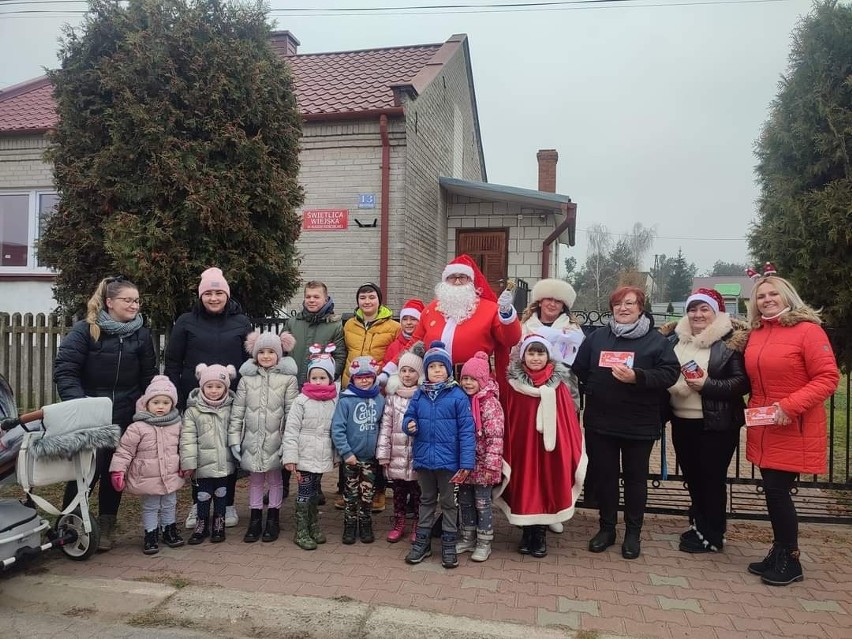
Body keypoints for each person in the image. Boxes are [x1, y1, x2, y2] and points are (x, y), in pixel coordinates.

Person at [743, 271, 839, 586]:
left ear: (787, 296)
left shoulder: (807, 331)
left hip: (792, 423)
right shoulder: (758, 332)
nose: (767, 300)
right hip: (766, 423)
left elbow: (827, 378)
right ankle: (779, 550)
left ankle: (791, 559)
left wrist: (789, 406)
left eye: (773, 294)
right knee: (773, 492)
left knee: (777, 491)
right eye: (761, 296)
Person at [573, 286, 679, 560]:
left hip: (639, 421)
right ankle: (607, 529)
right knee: (606, 478)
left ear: (640, 307)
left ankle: (633, 533)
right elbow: (581, 367)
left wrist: (638, 377)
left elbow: (670, 373)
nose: (623, 308)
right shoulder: (598, 336)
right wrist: (597, 387)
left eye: (629, 303)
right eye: (618, 303)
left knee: (635, 479)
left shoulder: (655, 341)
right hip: (601, 421)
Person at [54, 275, 157, 551]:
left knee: (115, 471)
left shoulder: (141, 334)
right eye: (128, 300)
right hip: (90, 415)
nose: (134, 305)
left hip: (125, 414)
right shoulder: (85, 331)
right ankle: (70, 524)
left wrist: (146, 407)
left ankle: (107, 524)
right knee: (86, 471)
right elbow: (65, 371)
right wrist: (81, 406)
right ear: (109, 302)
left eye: (137, 300)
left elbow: (149, 377)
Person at [661, 288, 749, 554]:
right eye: (693, 309)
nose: (697, 314)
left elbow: (741, 382)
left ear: (716, 312)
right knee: (694, 476)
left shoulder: (730, 341)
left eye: (704, 309)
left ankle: (713, 534)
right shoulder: (675, 338)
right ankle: (699, 524)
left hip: (716, 423)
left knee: (711, 478)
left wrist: (708, 385)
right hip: (681, 419)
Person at [165, 267, 251, 530]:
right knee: (199, 451)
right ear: (201, 296)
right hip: (196, 401)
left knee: (228, 450)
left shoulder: (241, 322)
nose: (214, 298)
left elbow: (249, 362)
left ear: (227, 295)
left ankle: (227, 504)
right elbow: (172, 362)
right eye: (209, 293)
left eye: (219, 293)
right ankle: (198, 504)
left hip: (231, 400)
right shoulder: (186, 321)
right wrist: (176, 399)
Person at [384, 255, 521, 406]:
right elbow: (413, 344)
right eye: (452, 277)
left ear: (471, 281)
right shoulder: (430, 310)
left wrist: (506, 312)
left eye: (462, 277)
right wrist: (388, 370)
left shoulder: (489, 309)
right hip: (435, 385)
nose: (457, 281)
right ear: (444, 281)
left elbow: (510, 340)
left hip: (472, 386)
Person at [494, 336, 585, 559]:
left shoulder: (558, 385)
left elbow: (566, 419)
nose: (536, 358)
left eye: (540, 353)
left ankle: (540, 534)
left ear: (548, 356)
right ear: (523, 356)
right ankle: (527, 533)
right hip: (523, 446)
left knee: (547, 484)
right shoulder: (515, 385)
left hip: (549, 449)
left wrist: (566, 444)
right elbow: (510, 415)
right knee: (524, 484)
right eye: (531, 353)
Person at [518, 277, 584, 534]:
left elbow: (580, 363)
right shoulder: (525, 326)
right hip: (529, 395)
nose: (552, 304)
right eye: (548, 299)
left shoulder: (573, 329)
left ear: (564, 305)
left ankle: (555, 506)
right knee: (531, 457)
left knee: (560, 454)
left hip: (563, 394)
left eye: (558, 301)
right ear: (539, 301)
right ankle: (532, 504)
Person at [403, 341, 476, 569]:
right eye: (432, 366)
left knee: (448, 503)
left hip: (448, 462)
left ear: (448, 369)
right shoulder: (419, 395)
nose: (437, 370)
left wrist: (466, 463)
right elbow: (408, 417)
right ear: (426, 370)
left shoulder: (458, 396)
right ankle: (422, 543)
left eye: (441, 366)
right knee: (426, 500)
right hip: (424, 459)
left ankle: (448, 544)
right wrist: (409, 424)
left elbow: (467, 431)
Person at [228, 331, 299, 544]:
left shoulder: (288, 380)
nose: (266, 356)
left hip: (276, 440)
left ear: (279, 354)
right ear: (255, 354)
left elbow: (291, 413)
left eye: (271, 352)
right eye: (262, 352)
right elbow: (238, 411)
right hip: (252, 439)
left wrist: (287, 442)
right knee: (256, 480)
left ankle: (273, 518)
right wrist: (234, 438)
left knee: (275, 480)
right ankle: (255, 518)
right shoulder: (246, 380)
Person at [281, 281, 346, 504]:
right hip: (291, 389)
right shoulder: (292, 322)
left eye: (316, 296)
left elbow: (339, 357)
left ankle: (315, 486)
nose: (311, 300)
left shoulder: (335, 326)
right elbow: (281, 352)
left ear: (325, 299)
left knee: (315, 438)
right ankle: (282, 485)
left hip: (317, 394)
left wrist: (324, 379)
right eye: (308, 296)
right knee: (287, 433)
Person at [338, 283, 399, 513]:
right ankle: (347, 490)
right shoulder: (349, 325)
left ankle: (378, 490)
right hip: (351, 389)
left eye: (371, 297)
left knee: (375, 440)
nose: (367, 301)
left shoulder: (393, 326)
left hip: (377, 390)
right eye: (362, 297)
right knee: (350, 436)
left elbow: (395, 354)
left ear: (379, 300)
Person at [109, 376, 185, 555]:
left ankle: (169, 530)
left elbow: (183, 447)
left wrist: (185, 464)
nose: (160, 406)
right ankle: (150, 534)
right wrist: (118, 470)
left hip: (171, 474)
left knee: (169, 503)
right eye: (156, 402)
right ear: (146, 403)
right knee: (151, 506)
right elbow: (124, 451)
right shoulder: (137, 427)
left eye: (165, 402)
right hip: (148, 477)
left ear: (172, 404)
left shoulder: (177, 425)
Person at [281, 345, 339, 550]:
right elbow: (291, 430)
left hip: (322, 454)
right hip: (304, 455)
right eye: (314, 378)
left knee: (315, 492)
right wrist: (290, 457)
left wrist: (335, 454)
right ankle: (301, 530)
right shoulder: (301, 400)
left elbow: (336, 430)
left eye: (322, 378)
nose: (318, 381)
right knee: (304, 492)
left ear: (330, 379)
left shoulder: (334, 401)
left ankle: (314, 524)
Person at [179, 364, 237, 545]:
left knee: (222, 493)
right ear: (202, 387)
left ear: (226, 388)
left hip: (224, 463)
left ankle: (219, 523)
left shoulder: (230, 409)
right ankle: (201, 524)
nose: (214, 391)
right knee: (202, 495)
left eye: (219, 386)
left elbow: (236, 431)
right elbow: (187, 439)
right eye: (209, 386)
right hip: (202, 465)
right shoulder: (193, 411)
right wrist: (188, 462)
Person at [455, 351, 504, 563]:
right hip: (464, 463)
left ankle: (484, 541)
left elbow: (495, 435)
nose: (467, 383)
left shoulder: (489, 403)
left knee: (482, 503)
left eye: (472, 379)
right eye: (464, 378)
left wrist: (492, 464)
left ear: (482, 380)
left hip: (484, 464)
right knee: (464, 501)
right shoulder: (460, 399)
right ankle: (468, 536)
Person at [331, 356, 385, 545]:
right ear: (353, 379)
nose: (364, 380)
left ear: (374, 377)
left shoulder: (379, 399)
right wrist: (346, 452)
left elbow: (383, 426)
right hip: (351, 457)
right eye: (360, 377)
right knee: (350, 493)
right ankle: (350, 523)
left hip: (370, 458)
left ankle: (365, 522)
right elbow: (338, 429)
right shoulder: (346, 401)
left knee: (368, 493)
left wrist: (380, 452)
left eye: (368, 376)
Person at [377, 344, 425, 543]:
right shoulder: (392, 397)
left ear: (419, 374)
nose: (406, 375)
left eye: (411, 371)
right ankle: (399, 522)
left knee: (417, 493)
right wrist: (383, 453)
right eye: (403, 370)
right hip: (396, 455)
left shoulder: (423, 396)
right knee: (398, 492)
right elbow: (386, 427)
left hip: (416, 455)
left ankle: (417, 523)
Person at [383, 299, 425, 364]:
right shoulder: (394, 346)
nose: (408, 322)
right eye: (405, 319)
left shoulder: (426, 343)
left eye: (413, 319)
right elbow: (385, 366)